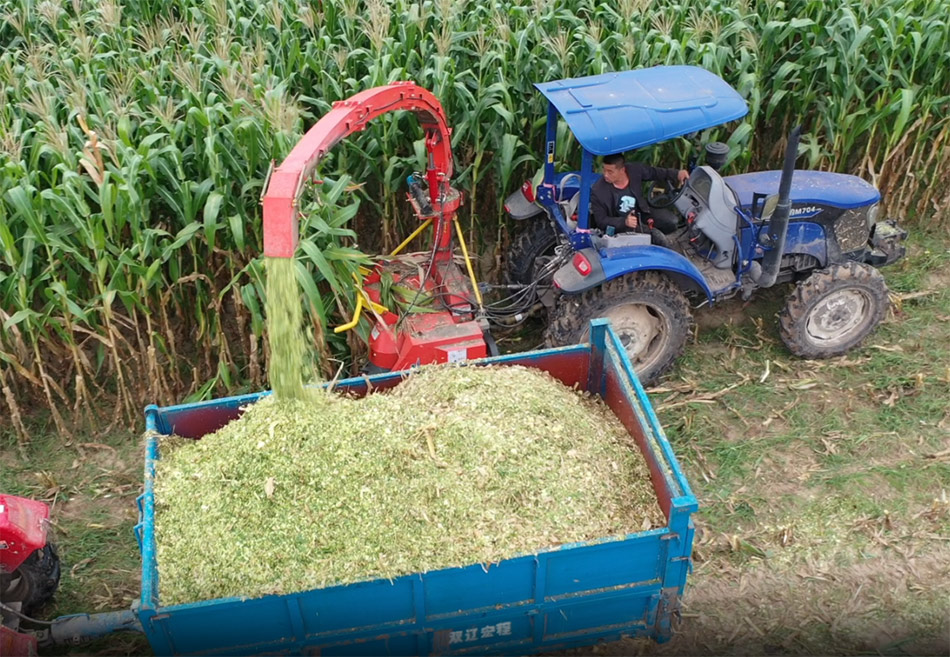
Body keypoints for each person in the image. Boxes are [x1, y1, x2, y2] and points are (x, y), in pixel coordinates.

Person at [589, 153, 688, 234]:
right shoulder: (598, 191)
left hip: (641, 212)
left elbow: (654, 172)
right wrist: (624, 222)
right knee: (655, 236)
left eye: (610, 172)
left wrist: (676, 174)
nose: (605, 175)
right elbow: (601, 220)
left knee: (671, 222)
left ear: (622, 170)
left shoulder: (634, 170)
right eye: (604, 170)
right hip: (622, 225)